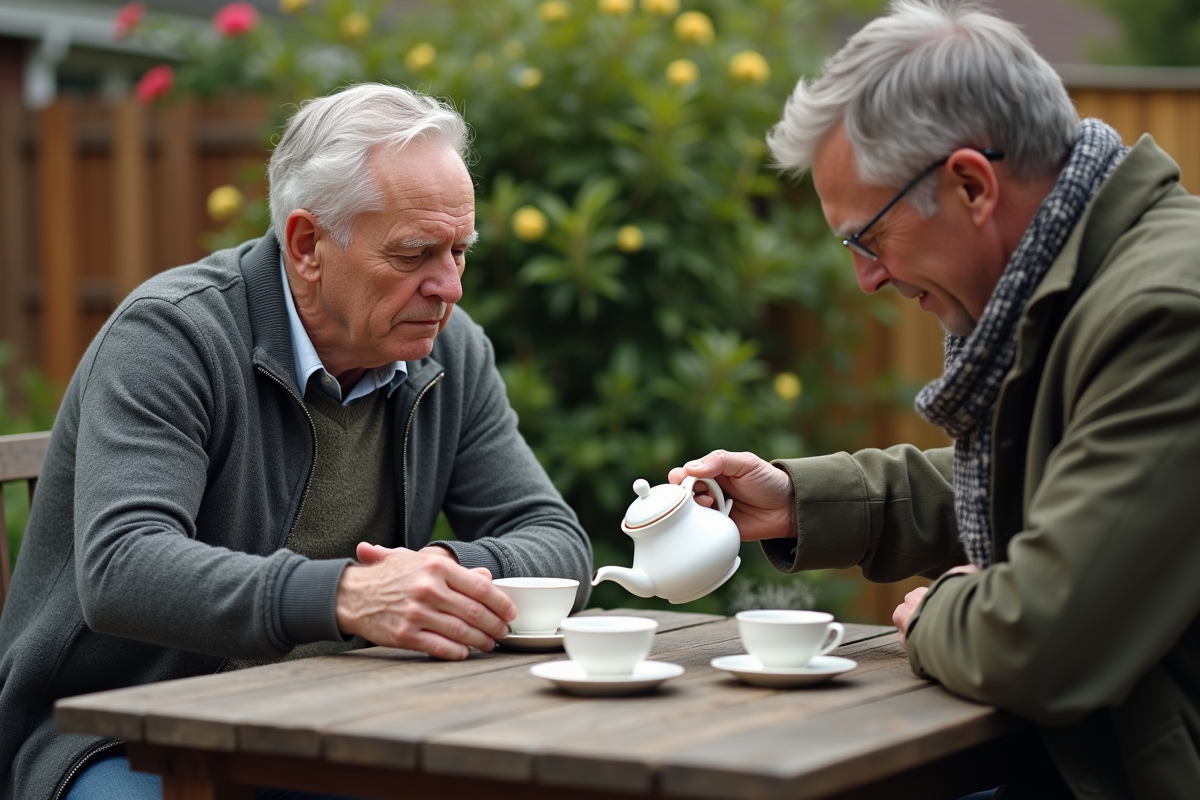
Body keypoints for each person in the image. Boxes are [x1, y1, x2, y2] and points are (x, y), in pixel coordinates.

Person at [0, 83, 593, 800]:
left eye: (459, 251)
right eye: (414, 254)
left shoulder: (449, 352)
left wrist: (437, 569)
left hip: (340, 719)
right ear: (308, 244)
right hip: (124, 735)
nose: (450, 287)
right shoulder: (172, 335)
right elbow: (123, 567)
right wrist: (346, 596)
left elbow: (556, 538)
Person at [672, 2, 1200, 797]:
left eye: (867, 238)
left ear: (970, 185)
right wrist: (803, 502)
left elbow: (1039, 646)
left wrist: (945, 610)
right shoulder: (1095, 282)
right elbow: (1057, 478)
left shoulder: (1165, 314)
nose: (867, 278)